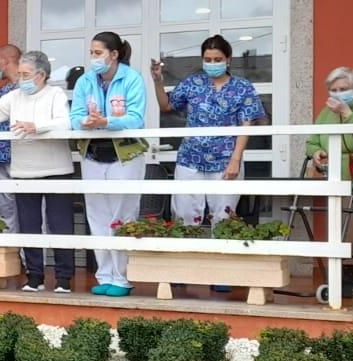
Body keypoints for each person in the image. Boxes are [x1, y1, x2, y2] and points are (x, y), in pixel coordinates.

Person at [0, 51, 75, 293]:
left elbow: (65, 122)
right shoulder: (15, 96)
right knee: (29, 226)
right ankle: (35, 277)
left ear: (41, 75)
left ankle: (64, 278)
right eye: (20, 73)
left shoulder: (55, 94)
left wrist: (37, 127)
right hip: (23, 171)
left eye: (26, 74)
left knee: (60, 224)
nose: (21, 78)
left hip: (56, 170)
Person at [152, 36, 266, 230]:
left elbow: (247, 125)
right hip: (190, 158)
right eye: (208, 60)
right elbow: (166, 105)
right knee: (184, 214)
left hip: (225, 159)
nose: (212, 64)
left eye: (217, 59)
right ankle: (188, 258)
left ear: (228, 59)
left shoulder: (242, 87)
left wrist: (235, 160)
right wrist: (158, 81)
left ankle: (220, 260)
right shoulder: (192, 82)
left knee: (224, 218)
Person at [69, 31, 148, 298]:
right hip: (92, 154)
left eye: (98, 53)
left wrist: (106, 122)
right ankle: (104, 275)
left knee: (122, 217)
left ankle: (122, 278)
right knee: (97, 216)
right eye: (92, 52)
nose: (94, 58)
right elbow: (75, 115)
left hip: (124, 156)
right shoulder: (85, 81)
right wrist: (85, 122)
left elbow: (135, 118)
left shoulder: (132, 78)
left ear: (114, 55)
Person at [0, 43, 24, 233]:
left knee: (28, 210)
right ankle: (10, 256)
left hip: (24, 157)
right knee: (3, 208)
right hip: (3, 157)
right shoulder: (3, 90)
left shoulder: (27, 88)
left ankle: (31, 259)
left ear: (5, 61)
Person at [305, 67, 353, 180]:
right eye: (333, 90)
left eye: (343, 89)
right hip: (332, 176)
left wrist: (347, 113)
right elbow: (311, 142)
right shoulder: (325, 112)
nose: (338, 94)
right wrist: (315, 152)